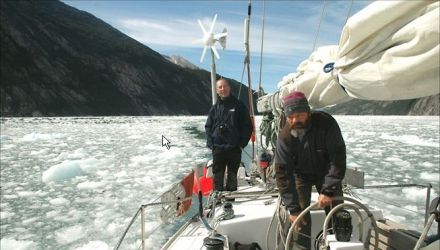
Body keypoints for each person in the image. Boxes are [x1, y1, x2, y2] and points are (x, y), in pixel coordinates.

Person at [274, 91, 346, 249]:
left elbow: (338, 157)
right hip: (301, 176)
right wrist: (293, 209)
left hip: (327, 172)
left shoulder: (326, 123)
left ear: (308, 112)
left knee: (338, 215)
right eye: (291, 117)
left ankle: (339, 243)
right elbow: (283, 173)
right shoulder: (285, 136)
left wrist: (328, 189)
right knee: (300, 219)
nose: (295, 120)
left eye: (299, 115)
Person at [205, 79, 252, 192]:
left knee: (232, 176)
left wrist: (241, 144)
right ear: (217, 91)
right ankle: (218, 199)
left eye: (225, 86)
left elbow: (247, 126)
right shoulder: (215, 108)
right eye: (220, 87)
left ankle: (231, 201)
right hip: (218, 148)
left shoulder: (239, 105)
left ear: (229, 88)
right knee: (217, 176)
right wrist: (211, 143)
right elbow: (208, 126)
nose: (223, 89)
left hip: (234, 148)